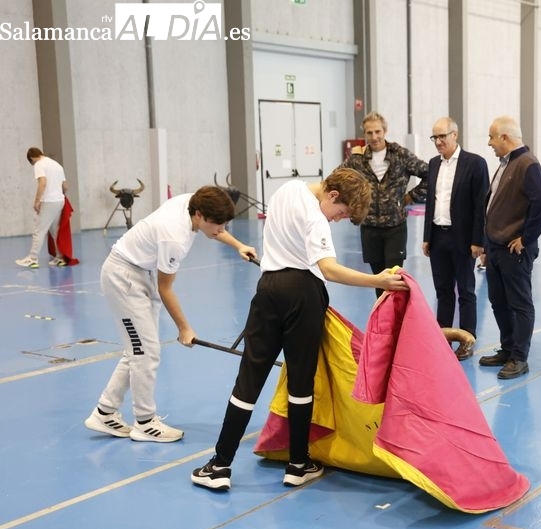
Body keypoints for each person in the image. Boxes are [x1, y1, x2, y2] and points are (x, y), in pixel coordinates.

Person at [191, 168, 408, 491]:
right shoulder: (316, 217)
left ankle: (220, 465)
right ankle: (297, 463)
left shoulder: (285, 190)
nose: (337, 219)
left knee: (248, 380)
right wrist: (377, 281)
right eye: (342, 212)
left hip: (268, 290)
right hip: (304, 295)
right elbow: (329, 270)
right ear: (332, 195)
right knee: (301, 381)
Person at [84, 186, 256, 443]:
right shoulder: (174, 237)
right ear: (198, 215)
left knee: (139, 350)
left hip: (142, 271)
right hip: (124, 278)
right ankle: (144, 422)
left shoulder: (191, 202)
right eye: (216, 224)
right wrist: (184, 327)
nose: (220, 230)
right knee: (145, 351)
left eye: (224, 224)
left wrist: (238, 245)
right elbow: (166, 289)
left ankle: (104, 412)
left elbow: (215, 229)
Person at [478, 117, 541, 380]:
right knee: (498, 301)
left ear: (505, 138)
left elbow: (540, 205)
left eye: (491, 137)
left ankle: (519, 357)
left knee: (519, 303)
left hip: (514, 249)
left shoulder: (527, 164)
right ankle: (508, 349)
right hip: (496, 247)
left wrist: (526, 238)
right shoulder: (507, 164)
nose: (489, 143)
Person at [336, 111, 428, 296]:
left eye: (378, 131)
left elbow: (429, 174)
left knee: (394, 278)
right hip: (370, 228)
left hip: (395, 227)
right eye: (369, 133)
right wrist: (352, 204)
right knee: (378, 280)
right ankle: (383, 320)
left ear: (385, 131)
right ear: (365, 134)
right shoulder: (357, 159)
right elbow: (336, 179)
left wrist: (411, 197)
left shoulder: (400, 154)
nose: (374, 137)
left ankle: (397, 320)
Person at [421, 117, 489, 360]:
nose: (438, 142)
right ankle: (443, 337)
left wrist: (478, 240)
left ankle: (467, 338)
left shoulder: (475, 163)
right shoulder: (433, 164)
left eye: (442, 136)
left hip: (463, 239)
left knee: (466, 290)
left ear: (455, 135)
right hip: (438, 236)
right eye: (434, 137)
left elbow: (481, 205)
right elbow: (431, 202)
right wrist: (427, 236)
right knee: (443, 291)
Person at [15, 147, 68, 268]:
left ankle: (32, 258)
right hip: (59, 201)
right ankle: (60, 258)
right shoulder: (57, 165)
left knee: (39, 230)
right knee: (55, 231)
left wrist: (37, 201)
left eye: (32, 162)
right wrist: (58, 195)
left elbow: (42, 183)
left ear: (32, 158)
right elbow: (65, 186)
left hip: (48, 201)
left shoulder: (39, 164)